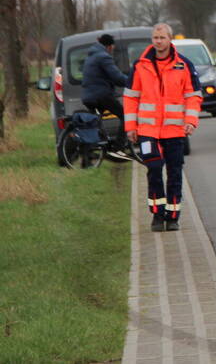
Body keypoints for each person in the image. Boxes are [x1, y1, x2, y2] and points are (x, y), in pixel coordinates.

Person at [124, 23, 202, 232]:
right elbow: (131, 98)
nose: (158, 41)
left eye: (162, 38)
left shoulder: (184, 65)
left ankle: (173, 216)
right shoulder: (140, 66)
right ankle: (157, 216)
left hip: (174, 130)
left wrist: (191, 121)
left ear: (170, 40)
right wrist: (131, 127)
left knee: (175, 172)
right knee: (154, 168)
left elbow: (193, 96)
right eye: (155, 38)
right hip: (147, 131)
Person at [81, 33, 129, 140]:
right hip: (101, 95)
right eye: (112, 47)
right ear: (109, 46)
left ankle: (100, 145)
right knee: (126, 116)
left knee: (97, 122)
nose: (112, 50)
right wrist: (132, 81)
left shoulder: (92, 55)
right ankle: (119, 147)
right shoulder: (103, 56)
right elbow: (117, 77)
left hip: (89, 96)